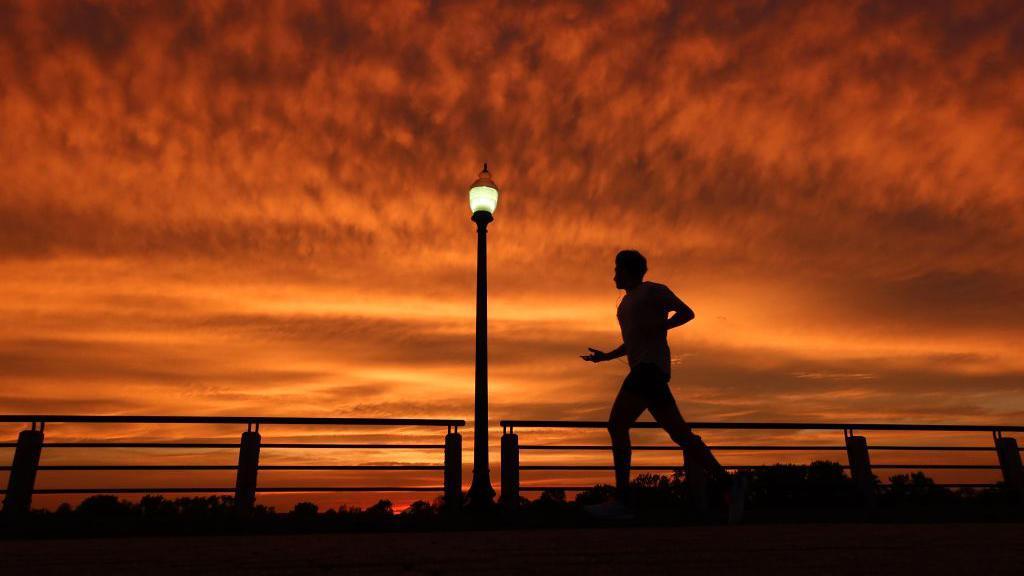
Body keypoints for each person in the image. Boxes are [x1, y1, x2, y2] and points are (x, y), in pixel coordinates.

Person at [582, 249, 729, 515]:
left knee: (616, 424)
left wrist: (662, 327)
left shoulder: (653, 291)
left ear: (630, 270)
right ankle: (731, 483)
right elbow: (632, 342)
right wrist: (606, 357)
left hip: (650, 370)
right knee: (681, 435)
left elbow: (686, 313)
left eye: (618, 269)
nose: (614, 274)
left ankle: (623, 501)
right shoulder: (625, 304)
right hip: (646, 371)